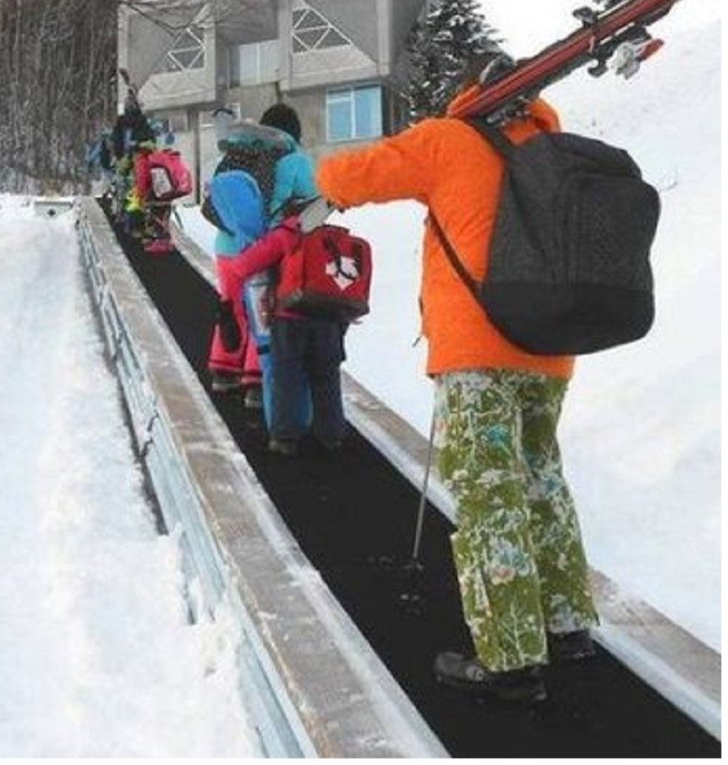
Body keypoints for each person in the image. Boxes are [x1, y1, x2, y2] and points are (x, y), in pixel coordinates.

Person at [314, 57, 597, 703]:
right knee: (542, 481)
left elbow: (354, 175)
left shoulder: (450, 138)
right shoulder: (549, 145)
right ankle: (568, 623)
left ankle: (511, 658)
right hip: (550, 346)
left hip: (476, 349)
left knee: (489, 492)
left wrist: (317, 179)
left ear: (469, 91)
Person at [206, 103, 318, 410]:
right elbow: (312, 201)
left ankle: (223, 369)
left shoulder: (239, 149)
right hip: (264, 248)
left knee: (231, 305)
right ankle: (256, 382)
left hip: (227, 246)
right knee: (263, 310)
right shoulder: (294, 158)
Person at [221, 212, 349, 456]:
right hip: (329, 318)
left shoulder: (285, 234)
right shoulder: (330, 236)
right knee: (326, 377)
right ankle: (332, 435)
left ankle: (284, 438)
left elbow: (242, 266)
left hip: (291, 317)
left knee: (285, 376)